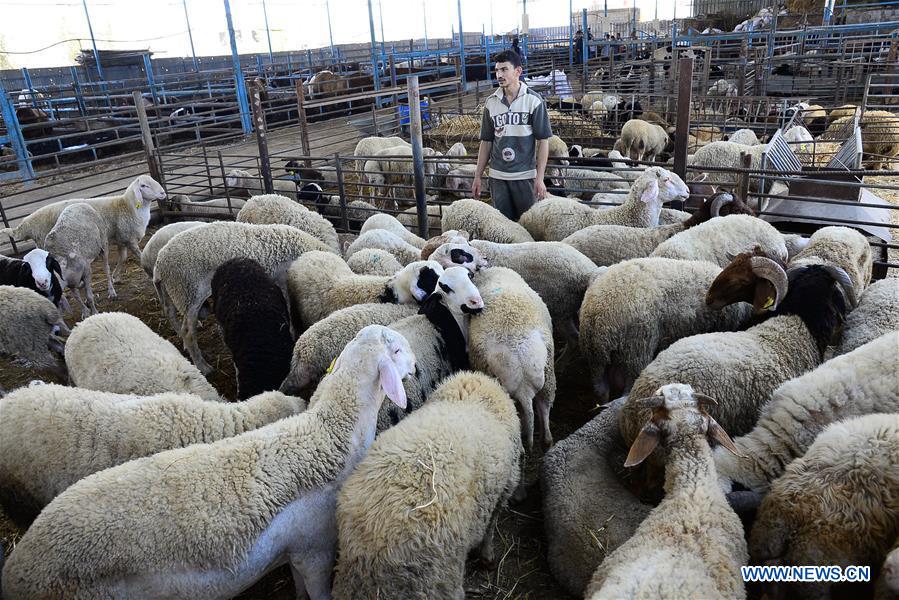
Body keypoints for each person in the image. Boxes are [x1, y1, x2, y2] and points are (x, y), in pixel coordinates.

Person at [472, 50, 552, 221]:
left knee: (528, 225)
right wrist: (478, 176)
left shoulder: (534, 101)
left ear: (518, 71)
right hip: (498, 177)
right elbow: (486, 142)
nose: (499, 75)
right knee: (503, 226)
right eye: (497, 70)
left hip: (525, 177)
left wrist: (540, 178)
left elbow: (543, 141)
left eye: (504, 70)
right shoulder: (491, 103)